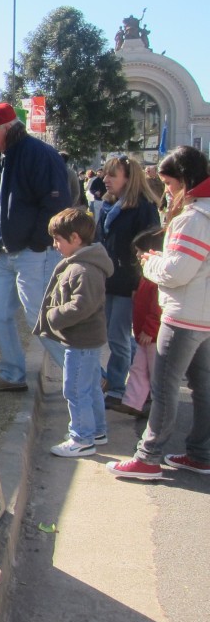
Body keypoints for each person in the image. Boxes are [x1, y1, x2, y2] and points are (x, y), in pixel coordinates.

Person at [108, 146, 210, 479]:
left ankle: (148, 456)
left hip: (183, 315)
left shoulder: (194, 218)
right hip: (203, 315)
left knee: (165, 388)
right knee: (202, 387)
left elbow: (178, 272)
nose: (166, 190)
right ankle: (200, 453)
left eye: (168, 183)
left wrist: (151, 263)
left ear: (185, 180)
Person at [0, 102, 72, 392]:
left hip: (32, 252)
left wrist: (37, 243)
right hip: (6, 253)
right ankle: (12, 375)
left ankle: (84, 375)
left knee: (40, 317)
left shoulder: (39, 155)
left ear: (6, 128)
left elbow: (55, 203)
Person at [34, 208, 113, 456]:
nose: (54, 244)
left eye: (58, 239)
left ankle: (82, 438)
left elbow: (81, 306)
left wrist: (52, 316)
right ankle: (96, 430)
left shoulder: (82, 269)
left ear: (76, 238)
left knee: (75, 390)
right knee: (89, 387)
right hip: (86, 340)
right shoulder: (82, 264)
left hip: (80, 340)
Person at [96, 156, 160, 407]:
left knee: (117, 336)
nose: (105, 179)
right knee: (115, 334)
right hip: (110, 279)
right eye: (106, 174)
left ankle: (117, 387)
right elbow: (103, 241)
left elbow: (150, 248)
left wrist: (138, 284)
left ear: (129, 178)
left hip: (129, 282)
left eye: (113, 175)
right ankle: (137, 382)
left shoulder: (144, 208)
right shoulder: (109, 205)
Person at [111, 227, 165, 417]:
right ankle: (133, 402)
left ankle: (158, 409)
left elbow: (157, 308)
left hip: (152, 335)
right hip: (145, 334)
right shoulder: (146, 277)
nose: (137, 255)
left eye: (140, 251)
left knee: (154, 373)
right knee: (138, 369)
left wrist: (149, 330)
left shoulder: (155, 279)